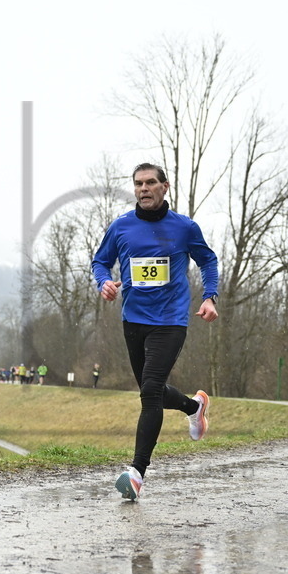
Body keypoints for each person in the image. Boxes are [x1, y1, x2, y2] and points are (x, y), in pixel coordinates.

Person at [92, 162, 219, 500]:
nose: (143, 188)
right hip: (133, 319)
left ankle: (136, 473)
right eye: (138, 184)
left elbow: (208, 261)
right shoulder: (121, 227)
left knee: (149, 392)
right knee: (155, 391)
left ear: (165, 186)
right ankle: (194, 407)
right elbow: (100, 261)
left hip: (171, 319)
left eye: (150, 183)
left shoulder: (184, 227)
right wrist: (104, 282)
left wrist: (209, 296)